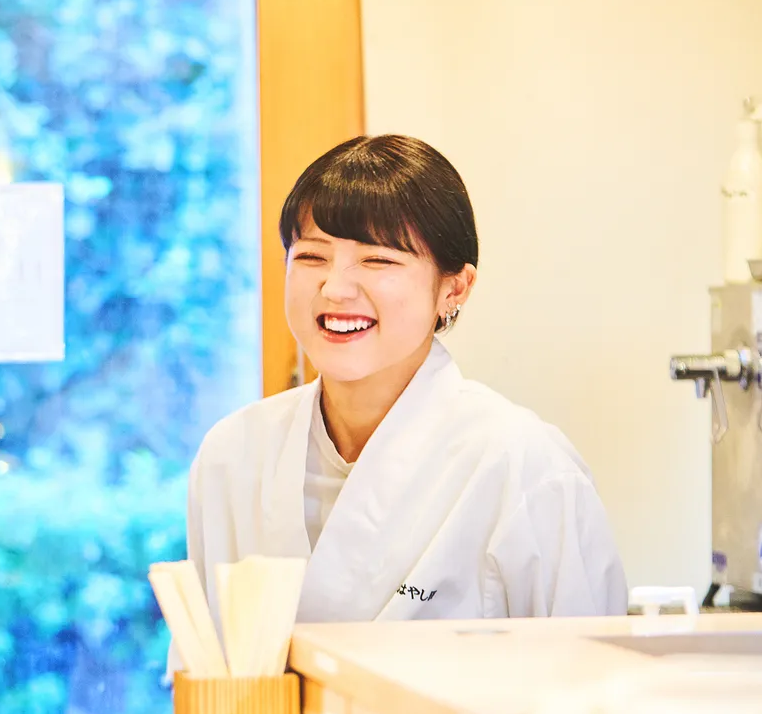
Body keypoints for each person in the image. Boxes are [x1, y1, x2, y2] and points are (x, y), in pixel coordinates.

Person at [188, 135, 626, 623]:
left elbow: (586, 681)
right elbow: (208, 676)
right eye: (312, 257)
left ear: (453, 289)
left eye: (378, 260)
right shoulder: (232, 455)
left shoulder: (523, 465)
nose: (335, 289)